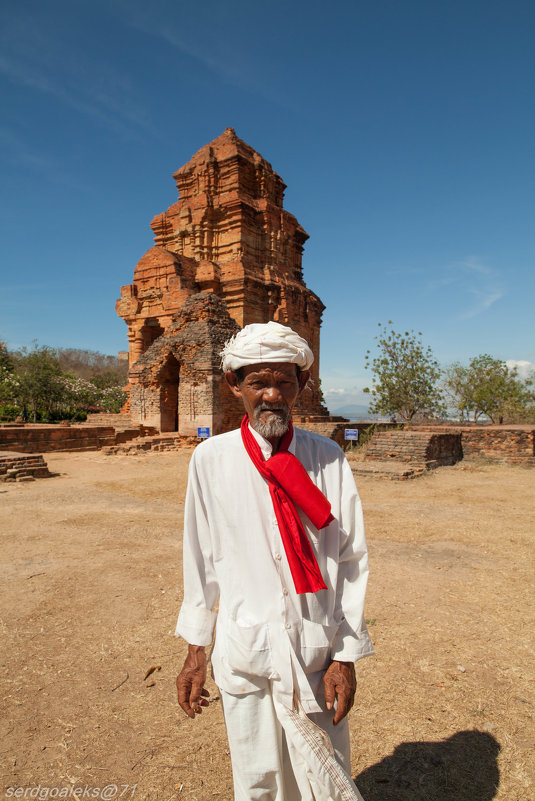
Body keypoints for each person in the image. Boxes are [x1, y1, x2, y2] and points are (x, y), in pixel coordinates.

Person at [175, 321, 374, 801]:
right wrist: (196, 650)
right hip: (246, 651)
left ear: (301, 386)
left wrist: (345, 656)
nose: (271, 395)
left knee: (325, 774)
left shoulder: (327, 459)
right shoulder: (211, 460)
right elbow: (201, 560)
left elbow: (351, 561)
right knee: (257, 777)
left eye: (284, 382)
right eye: (257, 382)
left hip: (315, 650)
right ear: (234, 386)